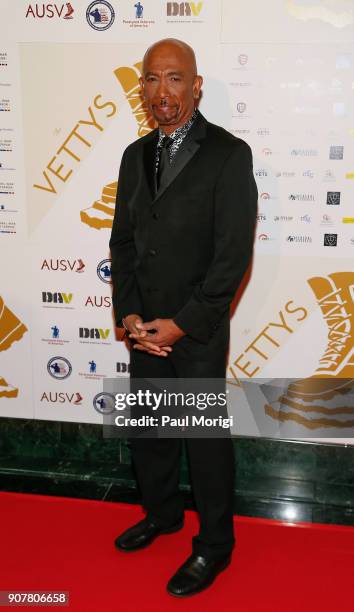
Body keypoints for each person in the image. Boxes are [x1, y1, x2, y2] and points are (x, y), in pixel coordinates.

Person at [109, 38, 257, 597]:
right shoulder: (133, 155)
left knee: (203, 441)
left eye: (174, 79)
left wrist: (184, 322)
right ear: (141, 87)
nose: (161, 91)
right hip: (143, 329)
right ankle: (164, 513)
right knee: (151, 434)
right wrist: (130, 315)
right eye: (151, 79)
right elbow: (122, 244)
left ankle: (215, 545)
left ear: (195, 86)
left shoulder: (228, 153)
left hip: (195, 331)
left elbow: (232, 257)